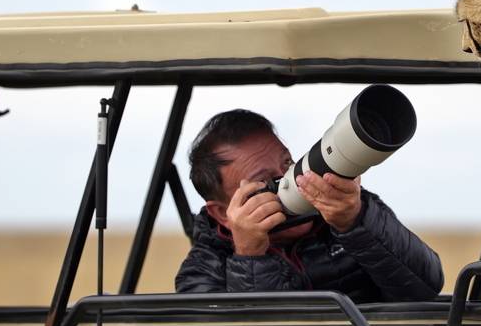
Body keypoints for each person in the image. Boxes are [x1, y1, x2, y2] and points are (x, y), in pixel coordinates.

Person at [175, 109, 443, 301]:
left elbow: (425, 288)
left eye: (287, 163)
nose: (287, 179)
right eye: (265, 181)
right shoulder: (202, 272)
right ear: (222, 213)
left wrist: (355, 222)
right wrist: (250, 256)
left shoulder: (348, 207)